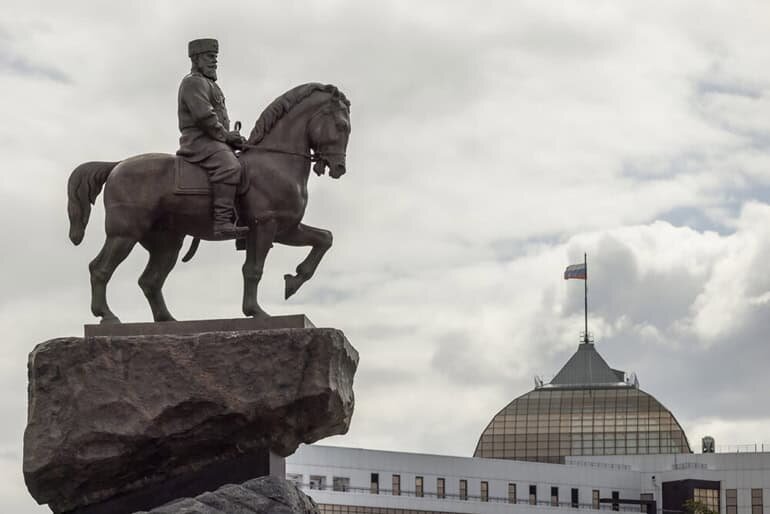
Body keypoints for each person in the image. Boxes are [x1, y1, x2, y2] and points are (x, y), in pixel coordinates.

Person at [177, 38, 248, 239]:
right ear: (197, 59)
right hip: (199, 141)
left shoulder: (209, 84)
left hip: (214, 140)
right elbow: (203, 117)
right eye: (210, 57)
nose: (214, 61)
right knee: (230, 167)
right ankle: (222, 222)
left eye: (215, 57)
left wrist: (232, 138)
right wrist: (226, 136)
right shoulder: (193, 82)